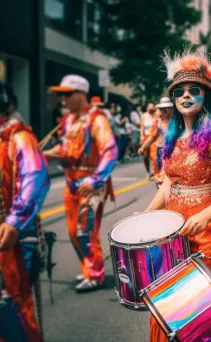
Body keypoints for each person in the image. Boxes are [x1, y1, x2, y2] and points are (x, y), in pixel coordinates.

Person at [145, 50, 211, 342]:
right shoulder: (173, 140)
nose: (186, 96)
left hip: (208, 230)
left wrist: (203, 217)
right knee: (170, 303)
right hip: (173, 230)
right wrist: (147, 216)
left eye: (194, 90)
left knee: (203, 306)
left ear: (207, 97)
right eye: (179, 92)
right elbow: (168, 184)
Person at [44, 75, 117, 292]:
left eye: (67, 94)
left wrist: (96, 180)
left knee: (85, 231)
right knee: (73, 232)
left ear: (81, 94)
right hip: (71, 183)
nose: (63, 100)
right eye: (61, 95)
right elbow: (65, 149)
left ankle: (95, 274)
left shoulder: (97, 119)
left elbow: (110, 150)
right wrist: (42, 154)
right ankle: (87, 268)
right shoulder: (68, 121)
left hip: (91, 184)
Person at [0, 82, 50, 341]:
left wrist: (14, 222)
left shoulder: (18, 138)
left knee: (11, 310)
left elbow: (35, 179)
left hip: (12, 242)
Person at [138, 97, 173, 187]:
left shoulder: (178, 121)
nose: (163, 111)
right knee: (160, 181)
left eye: (165, 108)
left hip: (174, 152)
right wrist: (143, 147)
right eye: (161, 109)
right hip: (161, 151)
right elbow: (152, 137)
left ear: (171, 108)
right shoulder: (159, 123)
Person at [140, 103, 157, 178]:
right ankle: (148, 171)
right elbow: (142, 127)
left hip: (155, 137)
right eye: (151, 107)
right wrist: (141, 136)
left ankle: (155, 171)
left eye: (153, 107)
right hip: (146, 136)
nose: (152, 108)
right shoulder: (144, 115)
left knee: (154, 155)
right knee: (145, 156)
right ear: (147, 108)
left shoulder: (157, 114)